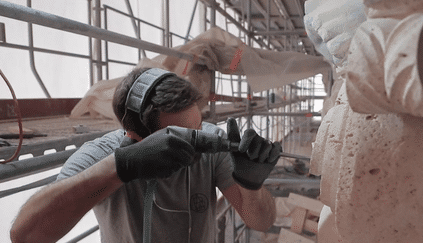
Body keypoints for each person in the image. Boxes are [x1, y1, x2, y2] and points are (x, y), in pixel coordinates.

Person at [10, 67, 282, 243]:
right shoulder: (102, 155)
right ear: (135, 137)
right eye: (184, 137)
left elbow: (261, 221)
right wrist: (120, 167)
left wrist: (252, 187)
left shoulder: (213, 147)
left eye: (197, 129)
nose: (199, 143)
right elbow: (25, 236)